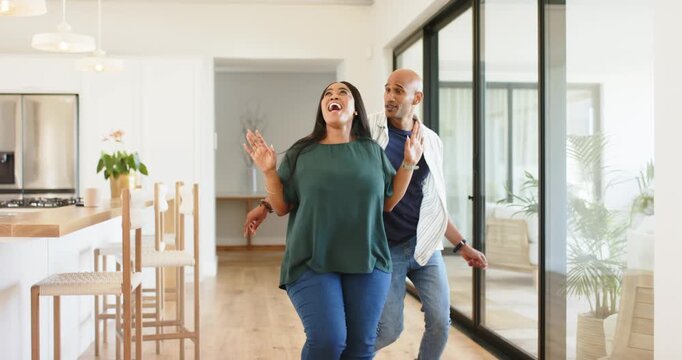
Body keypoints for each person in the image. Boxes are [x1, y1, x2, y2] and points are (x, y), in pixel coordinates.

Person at [244, 69, 488, 360]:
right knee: (341, 339)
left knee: (403, 333)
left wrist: (460, 244)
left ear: (416, 97)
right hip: (340, 253)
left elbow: (413, 201)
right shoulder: (330, 143)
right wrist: (268, 185)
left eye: (398, 90)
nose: (389, 96)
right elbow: (291, 198)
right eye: (387, 89)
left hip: (391, 252)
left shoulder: (407, 146)